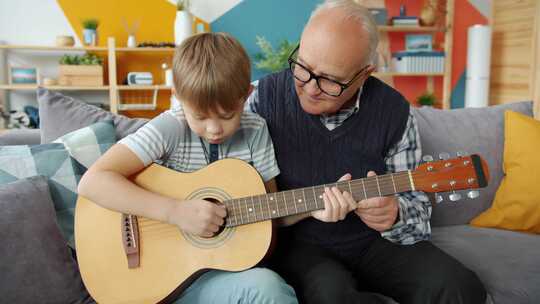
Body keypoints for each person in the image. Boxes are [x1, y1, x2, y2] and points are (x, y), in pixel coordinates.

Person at [245, 1, 487, 303]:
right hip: (301, 247)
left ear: (364, 74)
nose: (309, 87)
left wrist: (394, 214)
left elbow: (418, 208)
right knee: (331, 295)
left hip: (373, 243)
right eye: (303, 68)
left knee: (459, 286)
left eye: (330, 80)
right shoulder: (262, 99)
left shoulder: (396, 112)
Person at [78, 32, 298, 304]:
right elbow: (92, 182)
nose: (214, 129)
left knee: (268, 287)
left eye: (228, 115)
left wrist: (314, 208)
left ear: (246, 96)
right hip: (154, 274)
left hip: (216, 274)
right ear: (178, 97)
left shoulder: (256, 130)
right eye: (200, 116)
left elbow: (269, 211)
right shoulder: (171, 126)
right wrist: (175, 212)